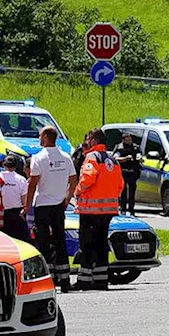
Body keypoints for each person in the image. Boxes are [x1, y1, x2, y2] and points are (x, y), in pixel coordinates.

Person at [27, 125, 78, 291]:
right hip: (58, 206)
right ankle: (64, 281)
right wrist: (67, 199)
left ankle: (47, 280)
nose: (39, 139)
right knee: (60, 242)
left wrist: (27, 206)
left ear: (47, 137)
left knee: (43, 243)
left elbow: (32, 185)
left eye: (41, 136)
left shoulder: (38, 158)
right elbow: (73, 182)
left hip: (42, 205)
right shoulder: (65, 157)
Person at [74, 130, 123, 290]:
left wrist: (77, 191)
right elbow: (120, 185)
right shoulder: (113, 160)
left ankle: (85, 280)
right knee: (102, 244)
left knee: (87, 244)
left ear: (94, 141)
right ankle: (101, 280)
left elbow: (88, 178)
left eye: (87, 139)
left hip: (90, 210)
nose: (85, 142)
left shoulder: (92, 157)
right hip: (108, 210)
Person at [0, 155, 30, 242]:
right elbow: (24, 199)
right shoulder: (21, 179)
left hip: (1, 214)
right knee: (19, 241)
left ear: (3, 165)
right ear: (16, 166)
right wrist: (24, 211)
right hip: (17, 214)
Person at [114, 133, 142, 215]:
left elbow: (139, 155)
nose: (129, 141)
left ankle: (131, 209)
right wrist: (125, 159)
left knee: (132, 192)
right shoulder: (119, 147)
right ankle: (123, 209)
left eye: (130, 139)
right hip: (123, 172)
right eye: (127, 139)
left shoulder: (135, 147)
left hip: (133, 172)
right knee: (123, 192)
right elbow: (115, 157)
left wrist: (139, 158)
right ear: (123, 140)